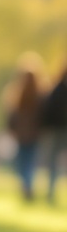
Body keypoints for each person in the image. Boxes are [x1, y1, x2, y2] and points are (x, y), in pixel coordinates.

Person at [3, 55, 46, 201]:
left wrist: (12, 129)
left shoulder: (18, 93)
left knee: (21, 161)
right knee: (30, 160)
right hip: (34, 134)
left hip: (21, 134)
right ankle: (28, 184)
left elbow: (12, 114)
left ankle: (26, 185)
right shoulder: (41, 95)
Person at [41, 66, 67, 203]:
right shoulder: (58, 90)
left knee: (53, 161)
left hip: (56, 130)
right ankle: (51, 190)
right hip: (59, 130)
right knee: (54, 161)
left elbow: (48, 110)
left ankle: (51, 190)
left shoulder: (56, 90)